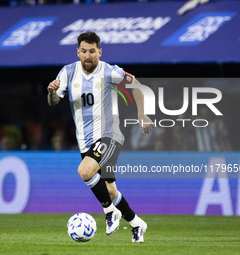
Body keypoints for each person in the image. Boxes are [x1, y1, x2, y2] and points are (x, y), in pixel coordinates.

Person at [47, 31, 153, 243]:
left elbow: (137, 85)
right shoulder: (67, 73)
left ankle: (109, 211)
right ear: (78, 52)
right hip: (85, 141)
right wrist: (51, 92)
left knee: (85, 171)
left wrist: (142, 114)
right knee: (111, 190)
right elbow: (54, 102)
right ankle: (136, 223)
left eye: (92, 51)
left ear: (99, 52)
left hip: (109, 135)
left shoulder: (109, 71)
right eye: (84, 51)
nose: (88, 56)